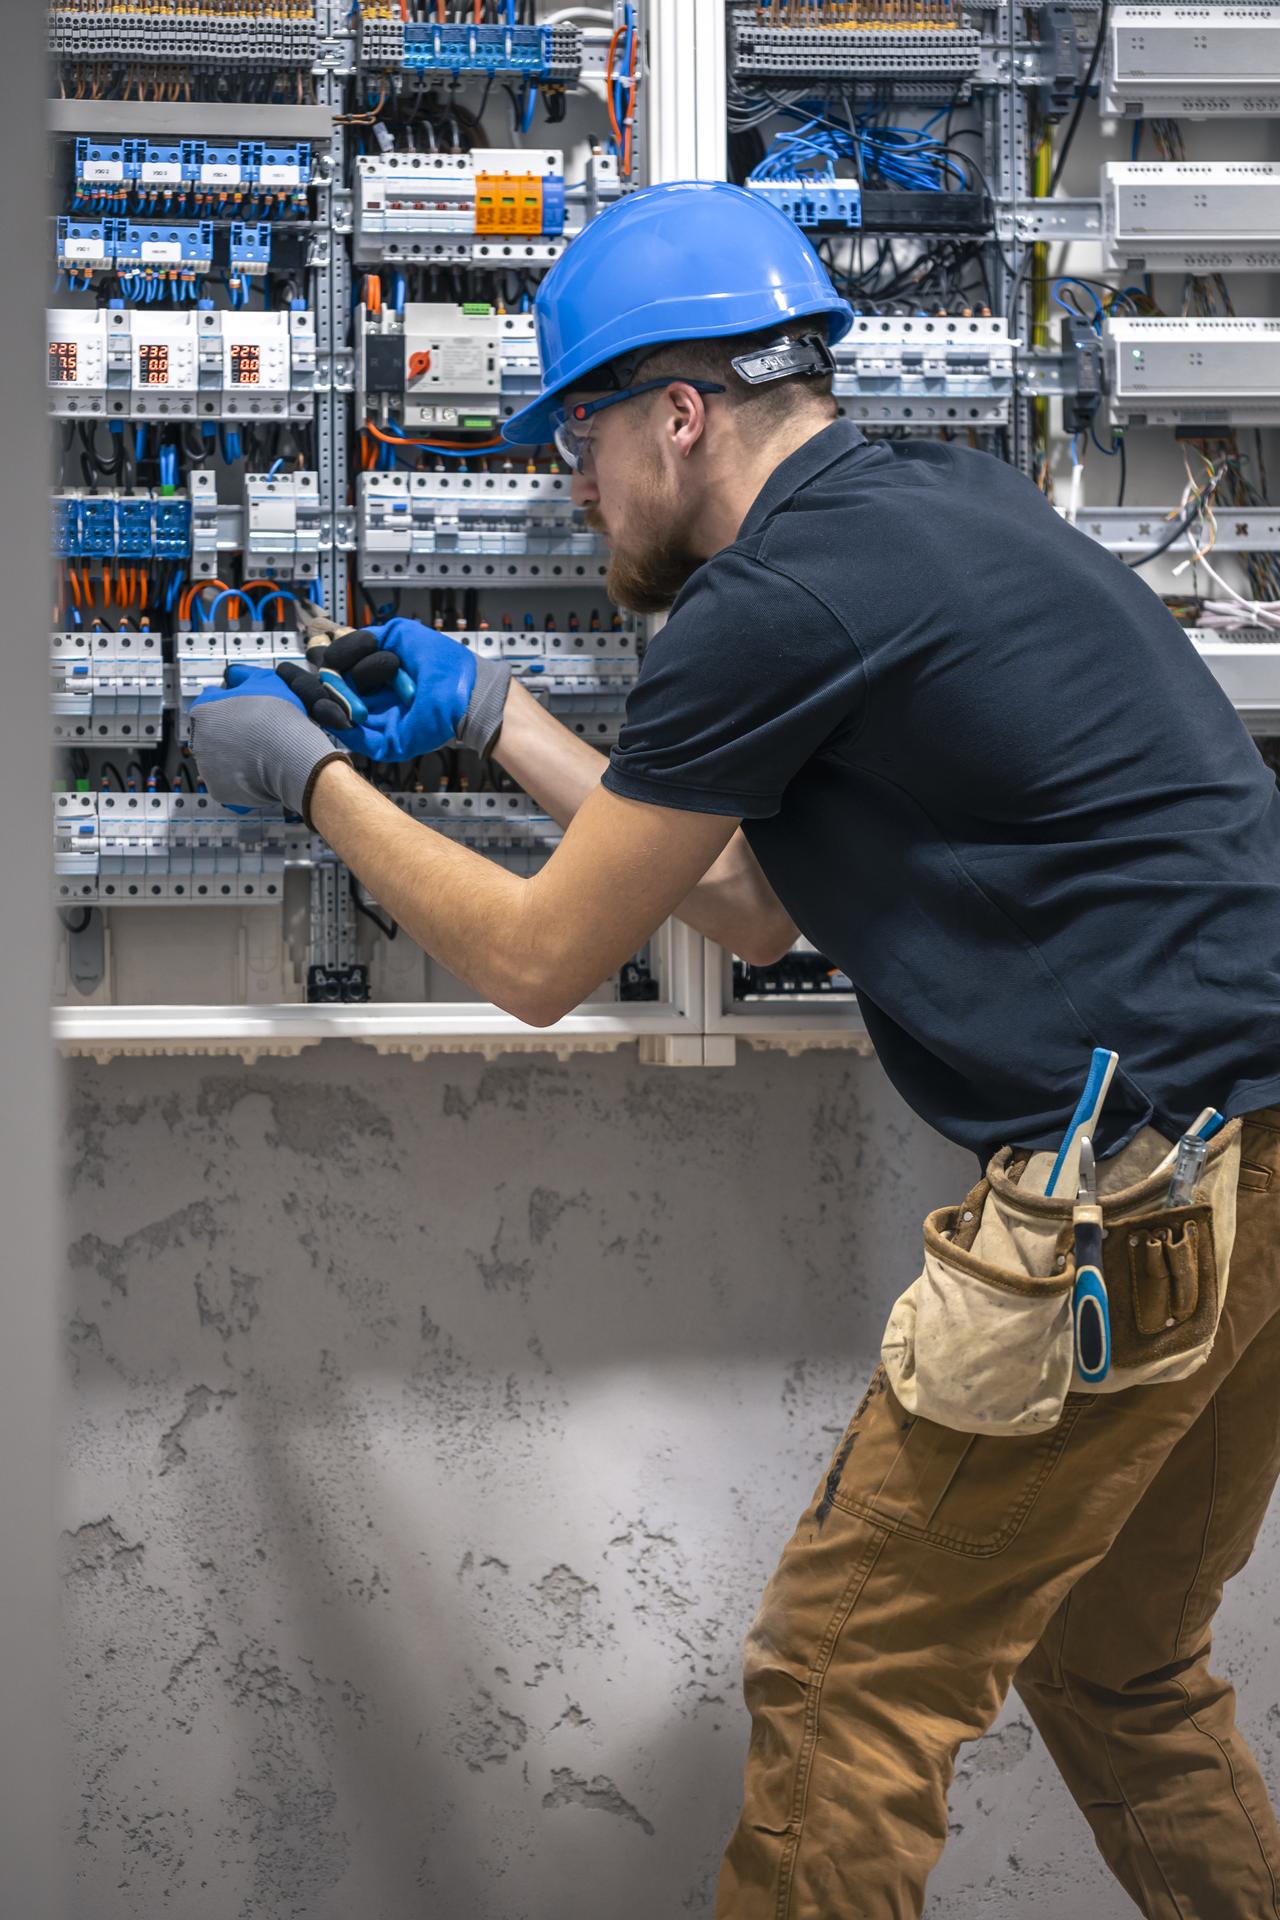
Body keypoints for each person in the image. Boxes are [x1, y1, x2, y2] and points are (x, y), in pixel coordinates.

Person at [189, 182, 1280, 1918]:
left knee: (848, 1689)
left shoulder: (771, 603)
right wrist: (497, 719)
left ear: (680, 413)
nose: (575, 482)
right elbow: (759, 907)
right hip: (1259, 1170)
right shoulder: (935, 508)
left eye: (583, 435)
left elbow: (540, 962)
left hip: (1142, 1194)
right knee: (1121, 1667)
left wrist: (305, 778)